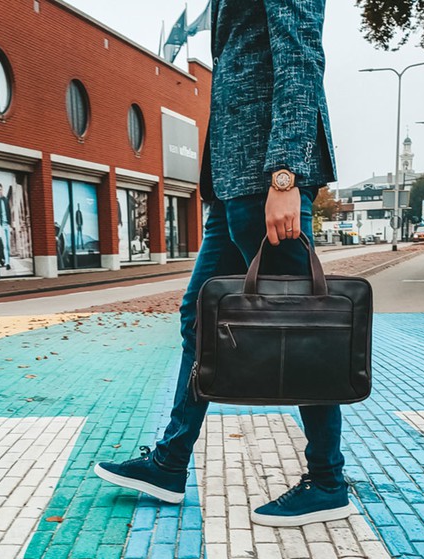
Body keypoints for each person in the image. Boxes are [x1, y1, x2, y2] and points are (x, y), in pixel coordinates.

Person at [95, 0, 349, 527]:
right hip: (232, 181)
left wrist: (285, 176)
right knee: (198, 317)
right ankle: (169, 462)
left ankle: (327, 480)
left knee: (305, 328)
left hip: (264, 176)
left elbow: (300, 54)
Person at [0, 184, 11, 270]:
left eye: (1, 189)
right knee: (5, 245)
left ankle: (8, 261)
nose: (0, 191)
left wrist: (11, 225)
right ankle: (7, 263)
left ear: (2, 190)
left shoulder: (6, 200)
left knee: (8, 245)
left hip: (7, 225)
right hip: (2, 225)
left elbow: (9, 211)